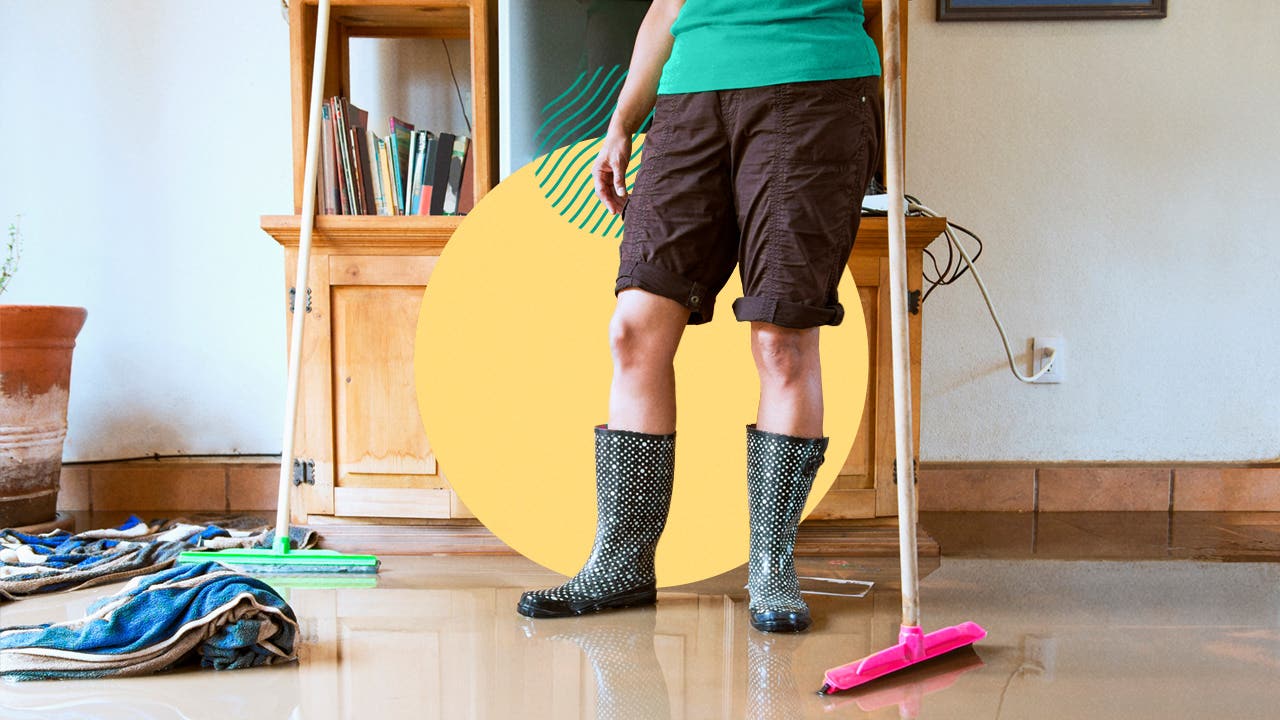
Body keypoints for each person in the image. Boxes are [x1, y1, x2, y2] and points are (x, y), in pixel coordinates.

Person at [517, 0, 883, 633]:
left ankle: (772, 566)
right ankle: (622, 563)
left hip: (815, 86)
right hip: (689, 99)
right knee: (633, 329)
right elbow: (667, 5)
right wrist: (623, 118)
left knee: (782, 340)